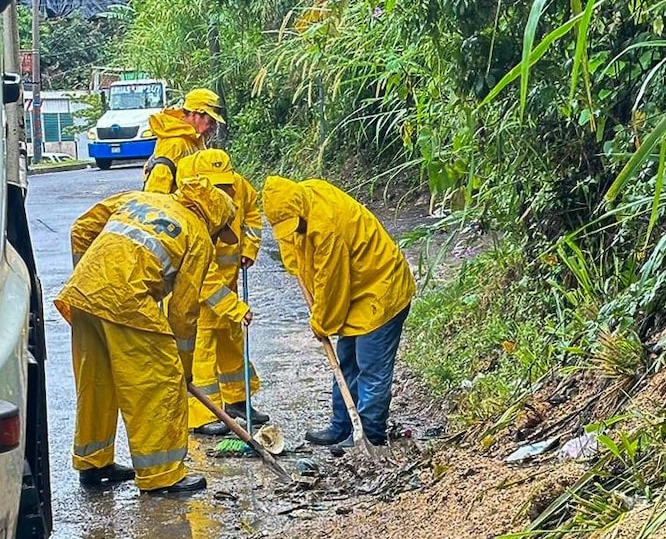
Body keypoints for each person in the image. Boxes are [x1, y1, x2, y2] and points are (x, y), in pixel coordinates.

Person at [54, 177, 237, 494]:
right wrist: (181, 367)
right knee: (157, 383)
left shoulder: (141, 199)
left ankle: (93, 464)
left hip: (83, 293)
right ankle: (161, 476)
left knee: (97, 381)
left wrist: (91, 275)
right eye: (220, 231)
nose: (217, 237)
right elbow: (183, 312)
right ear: (214, 218)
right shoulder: (197, 236)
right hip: (128, 302)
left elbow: (81, 230)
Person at [262, 176, 416, 446]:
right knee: (346, 363)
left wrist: (320, 322)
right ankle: (342, 426)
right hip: (357, 289)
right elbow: (293, 245)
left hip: (380, 288)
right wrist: (294, 265)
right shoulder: (301, 203)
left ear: (299, 208)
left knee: (370, 367)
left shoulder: (326, 225)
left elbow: (332, 283)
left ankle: (369, 434)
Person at [173, 150, 269, 436]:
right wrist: (237, 307)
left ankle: (238, 401)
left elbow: (252, 214)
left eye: (226, 182)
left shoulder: (239, 186)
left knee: (232, 342)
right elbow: (203, 279)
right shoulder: (192, 205)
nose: (224, 190)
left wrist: (249, 249)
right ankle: (203, 415)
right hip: (198, 294)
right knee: (201, 353)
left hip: (228, 282)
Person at [142, 87, 225, 194]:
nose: (213, 126)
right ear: (195, 115)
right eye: (211, 121)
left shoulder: (194, 139)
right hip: (174, 208)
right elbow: (155, 193)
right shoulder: (173, 143)